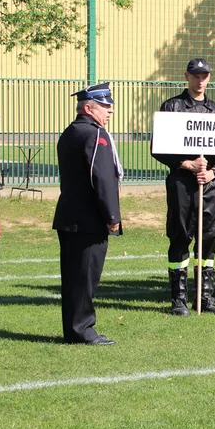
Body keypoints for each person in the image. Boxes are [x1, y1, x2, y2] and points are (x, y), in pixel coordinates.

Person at [151, 58, 215, 316]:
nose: (200, 80)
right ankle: (179, 298)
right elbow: (158, 148)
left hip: (207, 186)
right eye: (195, 75)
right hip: (181, 184)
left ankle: (205, 297)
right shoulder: (173, 106)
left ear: (209, 77)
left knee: (208, 240)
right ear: (187, 76)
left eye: (204, 75)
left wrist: (212, 172)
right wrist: (186, 164)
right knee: (180, 236)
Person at [53, 82, 122, 345]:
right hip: (89, 220)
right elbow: (103, 179)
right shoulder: (96, 135)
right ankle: (83, 329)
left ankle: (73, 329)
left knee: (72, 279)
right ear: (88, 107)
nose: (109, 111)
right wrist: (112, 217)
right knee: (85, 279)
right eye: (105, 106)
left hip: (69, 216)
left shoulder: (70, 132)